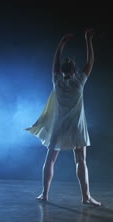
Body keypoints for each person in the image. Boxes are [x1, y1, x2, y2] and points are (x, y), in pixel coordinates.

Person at [26, 29, 101, 206]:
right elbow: (90, 61)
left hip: (59, 126)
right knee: (81, 161)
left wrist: (61, 42)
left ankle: (45, 194)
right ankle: (85, 197)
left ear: (62, 71)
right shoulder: (79, 82)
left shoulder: (57, 82)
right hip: (76, 126)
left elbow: (55, 60)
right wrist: (88, 39)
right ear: (75, 71)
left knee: (50, 160)